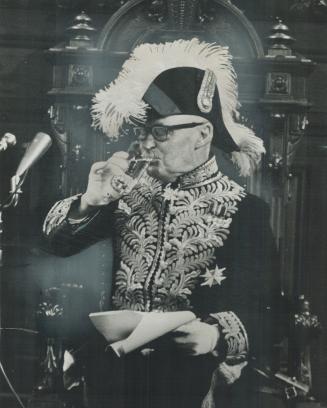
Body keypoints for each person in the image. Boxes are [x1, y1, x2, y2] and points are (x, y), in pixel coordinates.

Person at [43, 38, 285, 408]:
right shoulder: (125, 193)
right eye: (142, 134)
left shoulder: (245, 209)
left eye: (160, 133)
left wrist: (217, 334)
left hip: (192, 381)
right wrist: (90, 200)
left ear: (203, 134)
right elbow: (56, 245)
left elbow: (269, 308)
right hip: (114, 381)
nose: (145, 146)